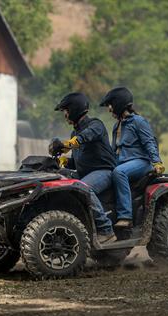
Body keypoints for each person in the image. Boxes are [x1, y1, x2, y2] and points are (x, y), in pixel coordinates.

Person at [50, 92, 117, 244]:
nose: (65, 115)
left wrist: (67, 144)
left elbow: (86, 136)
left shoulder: (95, 125)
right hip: (85, 173)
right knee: (60, 181)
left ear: (74, 109)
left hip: (104, 171)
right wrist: (64, 162)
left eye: (66, 111)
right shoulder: (75, 132)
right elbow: (77, 161)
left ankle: (106, 230)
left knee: (82, 187)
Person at [99, 87, 165, 228]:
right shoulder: (116, 125)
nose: (109, 109)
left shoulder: (138, 122)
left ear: (118, 103)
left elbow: (149, 143)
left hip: (141, 161)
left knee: (119, 172)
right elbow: (113, 150)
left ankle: (126, 216)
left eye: (110, 105)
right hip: (122, 162)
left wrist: (157, 162)